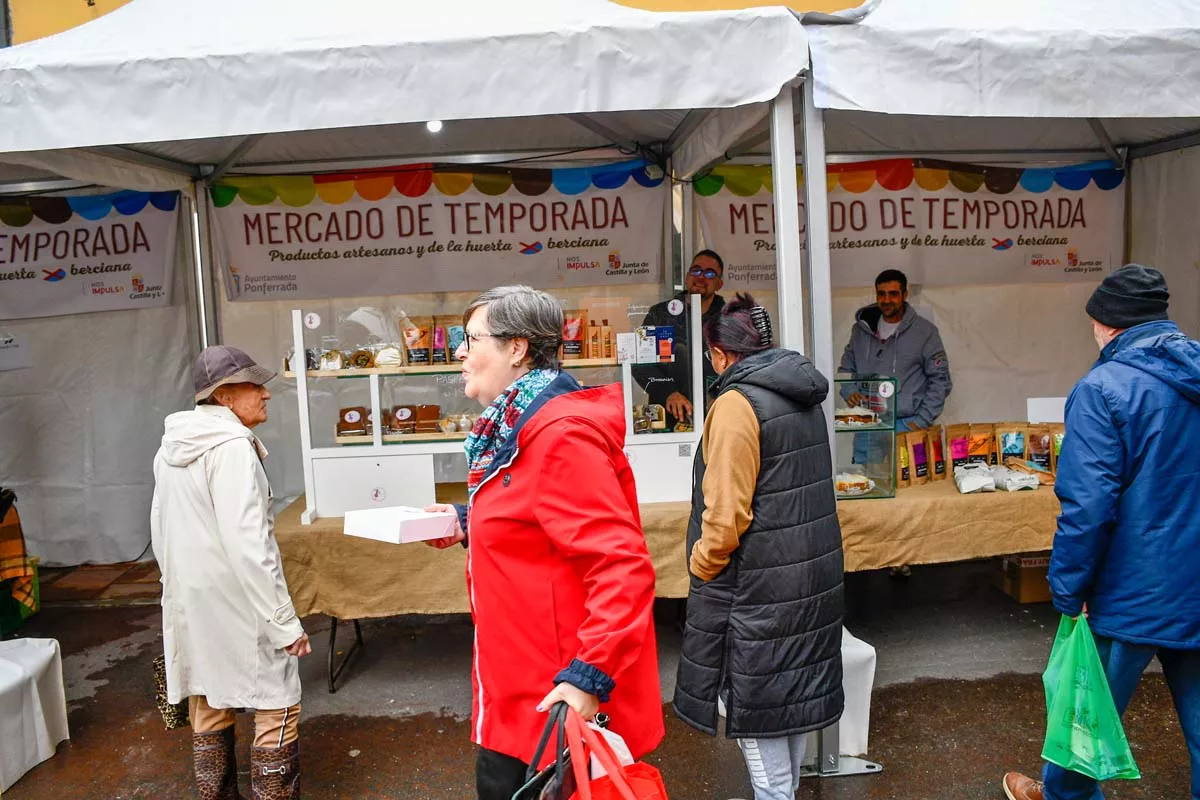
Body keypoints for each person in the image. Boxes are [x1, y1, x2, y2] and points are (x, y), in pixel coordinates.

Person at [424, 285, 664, 800]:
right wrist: (470, 520)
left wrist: (586, 679)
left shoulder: (558, 434)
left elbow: (622, 566)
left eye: (471, 339)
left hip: (551, 706)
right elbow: (536, 513)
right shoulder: (519, 422)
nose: (460, 352)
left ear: (517, 349)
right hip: (520, 699)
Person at [1002, 264, 1200, 800]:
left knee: (1082, 720)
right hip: (1193, 585)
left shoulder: (1103, 388)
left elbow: (1088, 507)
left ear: (1107, 323)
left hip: (1129, 591)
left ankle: (1058, 793)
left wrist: (1068, 590)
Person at [673, 294, 845, 800]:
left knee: (759, 714)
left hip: (757, 591)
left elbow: (725, 519)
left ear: (721, 355)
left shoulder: (735, 404)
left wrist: (700, 564)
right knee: (784, 703)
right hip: (804, 582)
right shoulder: (799, 393)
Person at [151, 345, 311, 800]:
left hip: (193, 601)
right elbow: (250, 546)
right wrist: (284, 623)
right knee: (279, 702)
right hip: (241, 602)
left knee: (209, 698)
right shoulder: (234, 449)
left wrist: (178, 597)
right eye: (253, 386)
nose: (265, 394)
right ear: (223, 397)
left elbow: (159, 531)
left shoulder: (169, 451)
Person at [839, 268, 952, 432]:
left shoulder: (925, 332)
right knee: (867, 460)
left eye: (893, 294)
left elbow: (941, 380)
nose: (886, 300)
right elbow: (845, 371)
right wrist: (850, 392)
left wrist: (921, 421)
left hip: (907, 425)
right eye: (881, 294)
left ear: (905, 295)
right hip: (867, 422)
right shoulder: (860, 330)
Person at [632, 249, 727, 428]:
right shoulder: (660, 314)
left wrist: (723, 396)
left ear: (719, 284)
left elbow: (741, 365)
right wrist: (668, 392)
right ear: (687, 276)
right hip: (668, 415)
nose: (700, 277)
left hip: (718, 413)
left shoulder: (731, 318)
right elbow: (641, 363)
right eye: (696, 270)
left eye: (709, 273)